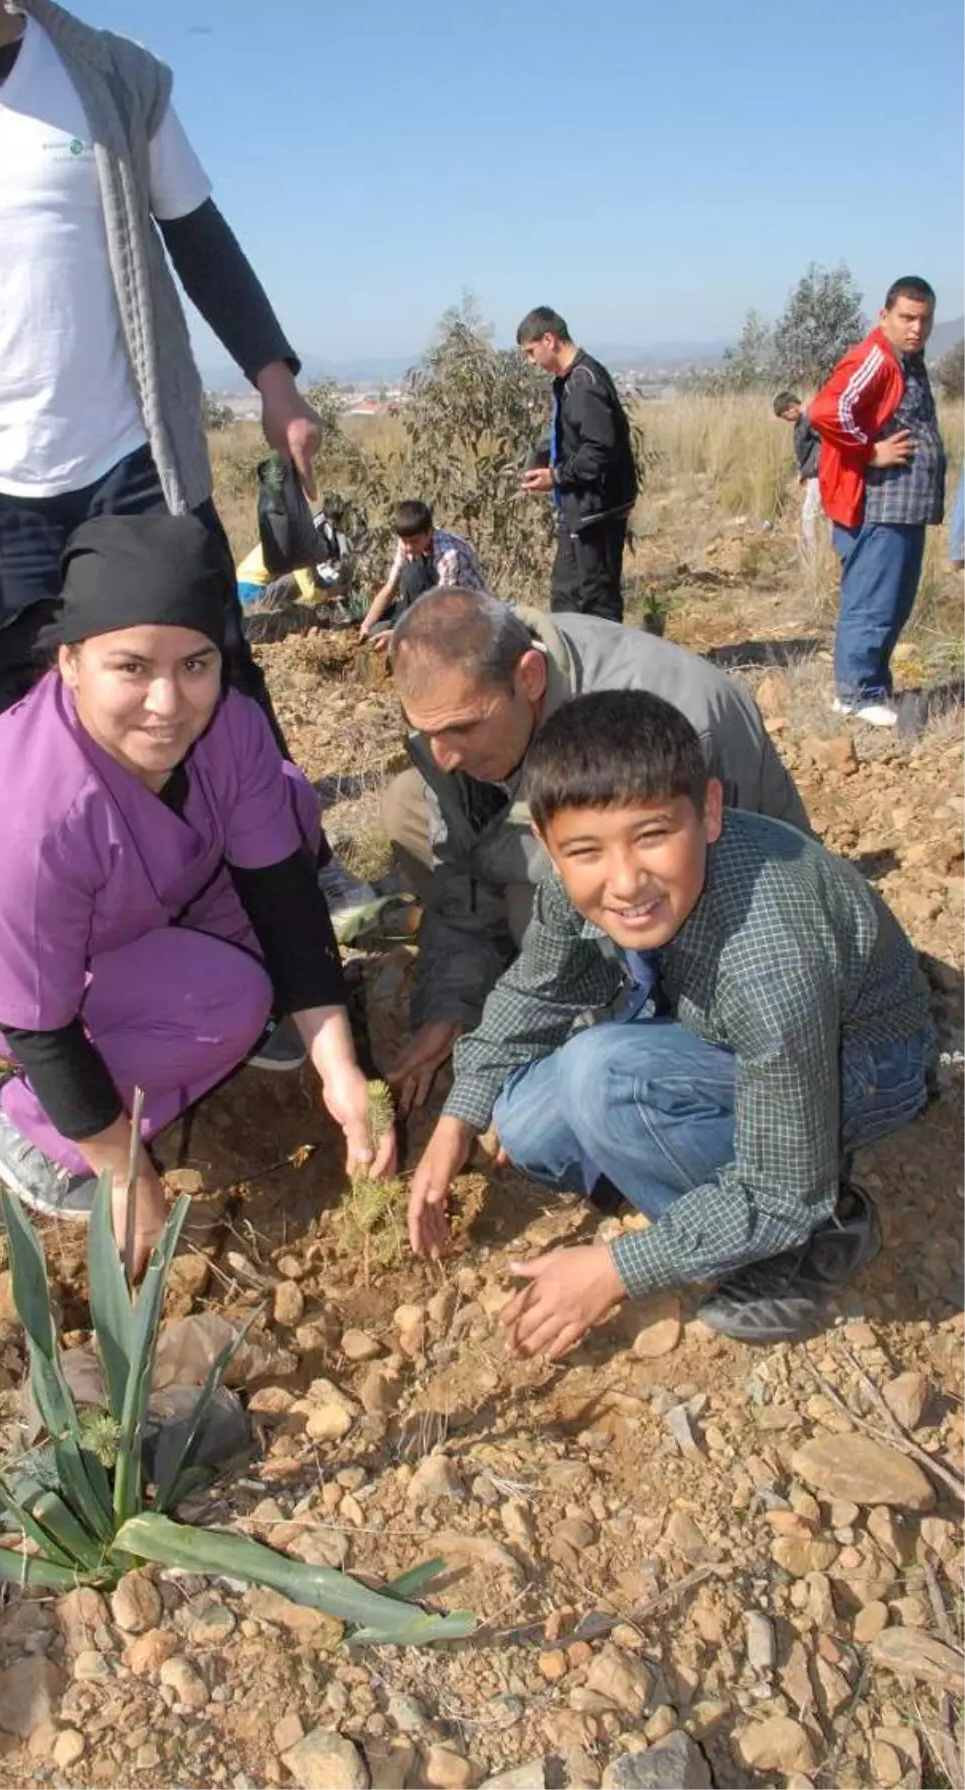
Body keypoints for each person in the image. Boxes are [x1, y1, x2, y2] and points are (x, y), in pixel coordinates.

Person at [0, 513, 395, 1274]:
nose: (168, 703)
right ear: (69, 662)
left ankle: (196, 1012)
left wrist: (340, 1069)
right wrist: (123, 1169)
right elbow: (37, 1020)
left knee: (285, 802)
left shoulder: (228, 726)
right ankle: (31, 1125)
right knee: (225, 1000)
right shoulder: (26, 811)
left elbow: (286, 902)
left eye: (195, 664)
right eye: (131, 668)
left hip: (136, 906)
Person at [0, 0, 323, 726]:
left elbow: (200, 238)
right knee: (37, 722)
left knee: (210, 689)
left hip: (136, 460)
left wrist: (277, 385)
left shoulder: (111, 77)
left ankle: (274, 844)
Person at [408, 690, 933, 1350]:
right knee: (525, 1121)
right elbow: (534, 994)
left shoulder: (769, 954)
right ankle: (691, 1192)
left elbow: (778, 1189)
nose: (625, 881)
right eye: (587, 850)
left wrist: (613, 1269)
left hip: (859, 1065)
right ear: (547, 842)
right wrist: (458, 1119)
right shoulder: (582, 883)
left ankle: (821, 1230)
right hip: (723, 1033)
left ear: (709, 812)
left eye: (653, 836)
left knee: (604, 1080)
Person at [381, 590, 810, 1110]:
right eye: (427, 733)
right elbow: (462, 876)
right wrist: (451, 1003)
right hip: (589, 893)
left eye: (463, 727)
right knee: (407, 804)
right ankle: (516, 983)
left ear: (530, 677)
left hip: (712, 915)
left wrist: (562, 1058)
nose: (443, 756)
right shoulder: (463, 717)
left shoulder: (678, 718)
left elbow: (719, 923)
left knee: (540, 915)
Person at [809, 277, 946, 728]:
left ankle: (872, 686)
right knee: (871, 600)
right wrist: (869, 451)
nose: (916, 328)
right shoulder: (876, 357)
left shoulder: (907, 361)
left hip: (902, 508)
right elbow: (825, 410)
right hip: (878, 506)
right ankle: (855, 693)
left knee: (893, 602)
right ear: (884, 315)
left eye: (924, 319)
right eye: (907, 317)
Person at [516, 307, 638, 623]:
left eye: (531, 352)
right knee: (567, 596)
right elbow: (575, 437)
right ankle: (573, 666)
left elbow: (599, 450)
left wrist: (554, 476)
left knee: (597, 599)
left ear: (549, 339)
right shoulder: (568, 380)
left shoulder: (584, 382)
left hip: (597, 511)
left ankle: (609, 668)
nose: (531, 361)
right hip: (580, 509)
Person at [357, 501, 486, 647]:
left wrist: (399, 636)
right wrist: (366, 625)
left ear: (429, 532)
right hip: (428, 598)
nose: (408, 547)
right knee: (375, 630)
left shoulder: (450, 555)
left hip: (463, 610)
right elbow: (390, 587)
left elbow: (442, 607)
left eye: (414, 542)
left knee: (412, 574)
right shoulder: (407, 541)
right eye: (404, 541)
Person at [772, 390, 823, 559]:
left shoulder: (810, 419)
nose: (786, 419)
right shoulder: (801, 422)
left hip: (818, 474)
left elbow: (823, 443)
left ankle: (813, 555)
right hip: (812, 473)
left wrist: (812, 470)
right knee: (816, 514)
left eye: (785, 415)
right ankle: (815, 553)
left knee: (810, 515)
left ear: (792, 407)